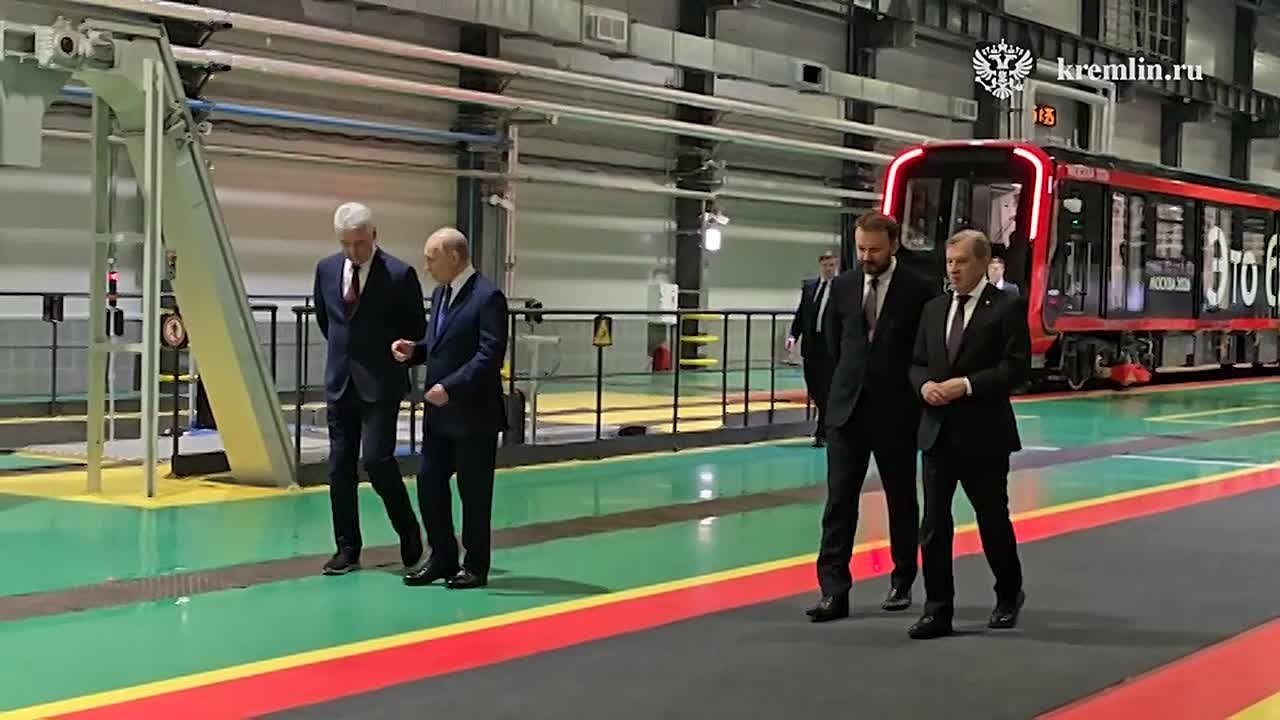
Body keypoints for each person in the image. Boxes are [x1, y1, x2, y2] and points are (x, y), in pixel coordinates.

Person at [807, 212, 934, 623]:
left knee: (901, 499)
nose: (866, 257)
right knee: (839, 501)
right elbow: (832, 344)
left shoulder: (919, 289)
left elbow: (923, 351)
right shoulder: (843, 286)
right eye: (861, 249)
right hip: (847, 412)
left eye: (874, 250)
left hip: (897, 411)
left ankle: (902, 580)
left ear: (894, 246)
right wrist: (836, 396)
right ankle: (833, 591)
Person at [906, 229, 1030, 640]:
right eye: (949, 262)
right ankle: (937, 610)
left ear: (981, 263)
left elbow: (1016, 369)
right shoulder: (934, 308)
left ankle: (1008, 593)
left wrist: (966, 385)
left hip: (984, 434)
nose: (953, 269)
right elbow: (917, 362)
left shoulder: (1007, 307)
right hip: (937, 433)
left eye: (961, 262)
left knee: (992, 519)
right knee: (933, 525)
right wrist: (924, 385)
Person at [313, 202, 426, 576]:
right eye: (346, 243)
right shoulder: (326, 269)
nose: (353, 251)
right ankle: (346, 547)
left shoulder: (400, 274)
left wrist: (396, 352)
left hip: (381, 384)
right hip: (340, 382)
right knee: (339, 468)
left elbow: (416, 329)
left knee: (377, 460)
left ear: (374, 235)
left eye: (360, 243)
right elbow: (327, 322)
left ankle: (408, 528)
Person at [394, 228, 509, 590]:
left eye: (431, 258)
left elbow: (489, 354)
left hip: (474, 415)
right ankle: (442, 556)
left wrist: (452, 387)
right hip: (439, 413)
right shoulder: (441, 293)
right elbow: (441, 343)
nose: (426, 266)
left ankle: (475, 565)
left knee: (473, 493)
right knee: (429, 483)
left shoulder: (488, 297)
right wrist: (415, 350)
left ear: (454, 257)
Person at [786, 251, 839, 447]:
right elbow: (801, 314)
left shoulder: (842, 288)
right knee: (814, 387)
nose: (829, 269)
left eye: (832, 265)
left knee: (827, 388)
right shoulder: (810, 287)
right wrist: (793, 335)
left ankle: (823, 430)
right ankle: (825, 426)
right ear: (820, 266)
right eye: (826, 265)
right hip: (811, 345)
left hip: (831, 347)